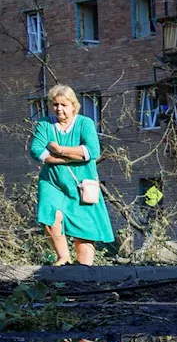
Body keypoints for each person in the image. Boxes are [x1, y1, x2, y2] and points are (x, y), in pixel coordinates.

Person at [29, 85, 115, 265]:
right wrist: (69, 158)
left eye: (63, 104)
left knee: (84, 229)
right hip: (52, 181)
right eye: (55, 104)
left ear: (73, 105)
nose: (59, 108)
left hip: (81, 184)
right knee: (49, 215)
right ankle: (63, 258)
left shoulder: (85, 123)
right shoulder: (45, 124)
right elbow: (37, 151)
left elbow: (92, 151)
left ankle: (84, 273)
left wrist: (59, 150)